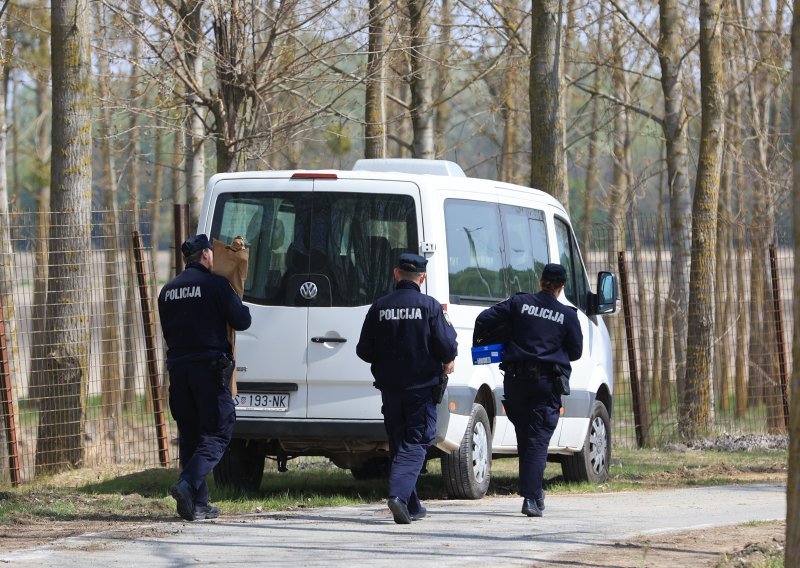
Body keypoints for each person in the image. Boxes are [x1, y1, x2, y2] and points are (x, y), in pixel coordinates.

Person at [474, 263, 582, 517]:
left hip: (515, 381)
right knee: (537, 438)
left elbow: (484, 319)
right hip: (545, 384)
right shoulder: (567, 315)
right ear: (561, 287)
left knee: (528, 435)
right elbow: (575, 352)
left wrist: (497, 341)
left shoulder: (519, 303)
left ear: (541, 280)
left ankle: (536, 492)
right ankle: (531, 497)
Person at [356, 253, 458, 524]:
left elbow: (363, 350)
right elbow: (447, 347)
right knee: (417, 442)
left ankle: (412, 505)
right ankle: (399, 497)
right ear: (422, 278)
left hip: (390, 389)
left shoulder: (379, 306)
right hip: (421, 388)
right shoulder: (430, 306)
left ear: (396, 273)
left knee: (399, 443)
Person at [158, 234, 252, 521]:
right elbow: (242, 321)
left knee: (190, 435)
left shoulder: (167, 290)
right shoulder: (216, 285)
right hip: (209, 371)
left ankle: (197, 504)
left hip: (179, 370)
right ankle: (187, 484)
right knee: (219, 431)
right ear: (208, 256)